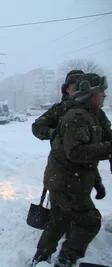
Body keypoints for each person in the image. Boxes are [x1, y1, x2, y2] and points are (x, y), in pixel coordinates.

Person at [30, 73, 109, 267]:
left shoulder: (94, 113)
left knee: (59, 219)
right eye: (101, 92)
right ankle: (64, 258)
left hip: (72, 174)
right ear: (68, 88)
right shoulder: (70, 112)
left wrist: (97, 181)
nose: (105, 96)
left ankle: (42, 258)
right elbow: (75, 151)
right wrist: (52, 133)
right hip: (66, 175)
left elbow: (102, 138)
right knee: (88, 220)